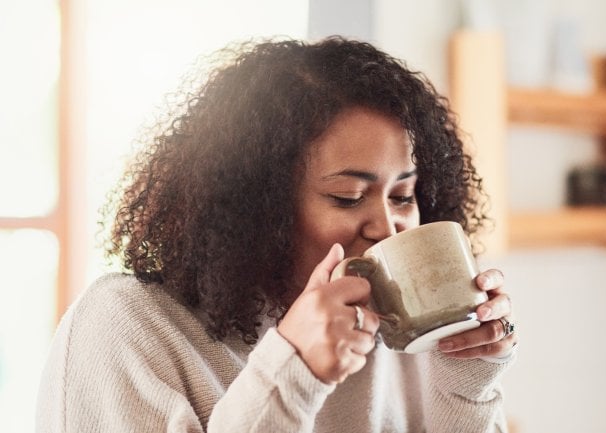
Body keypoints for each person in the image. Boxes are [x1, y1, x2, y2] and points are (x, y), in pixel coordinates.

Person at [36, 36, 518, 432]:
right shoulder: (128, 327)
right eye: (348, 197)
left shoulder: (404, 340)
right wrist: (294, 372)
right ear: (257, 205)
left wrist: (466, 385)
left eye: (403, 197)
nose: (387, 228)